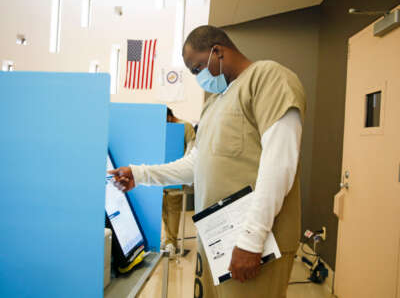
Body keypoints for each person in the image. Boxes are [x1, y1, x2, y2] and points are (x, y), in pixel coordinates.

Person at [110, 25, 306, 298]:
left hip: (255, 243)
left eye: (197, 68)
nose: (197, 77)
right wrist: (141, 174)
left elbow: (279, 164)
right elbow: (196, 165)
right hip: (218, 241)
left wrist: (251, 239)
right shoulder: (215, 102)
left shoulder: (268, 78)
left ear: (218, 51)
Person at [163, 107, 196, 257]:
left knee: (173, 208)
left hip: (177, 176)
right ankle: (169, 239)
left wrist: (183, 170)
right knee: (164, 208)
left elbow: (191, 148)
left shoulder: (185, 126)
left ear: (169, 117)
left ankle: (172, 242)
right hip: (164, 174)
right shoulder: (165, 128)